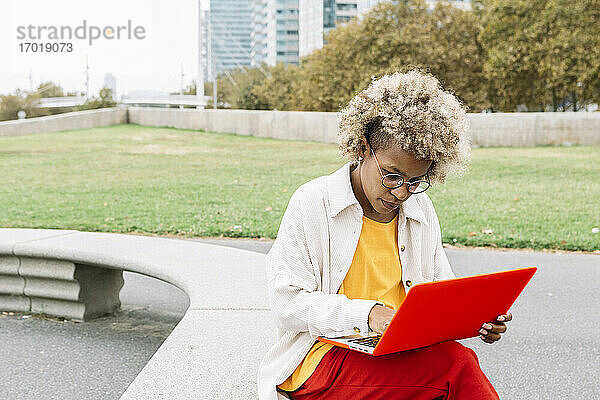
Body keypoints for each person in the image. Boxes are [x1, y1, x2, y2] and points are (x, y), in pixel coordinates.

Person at [257, 70, 512, 400]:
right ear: (364, 148)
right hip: (320, 359)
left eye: (416, 181)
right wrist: (368, 314)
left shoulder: (420, 209)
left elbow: (441, 290)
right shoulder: (314, 202)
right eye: (392, 176)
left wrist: (477, 319)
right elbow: (286, 304)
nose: (402, 192)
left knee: (455, 361)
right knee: (457, 366)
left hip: (397, 352)